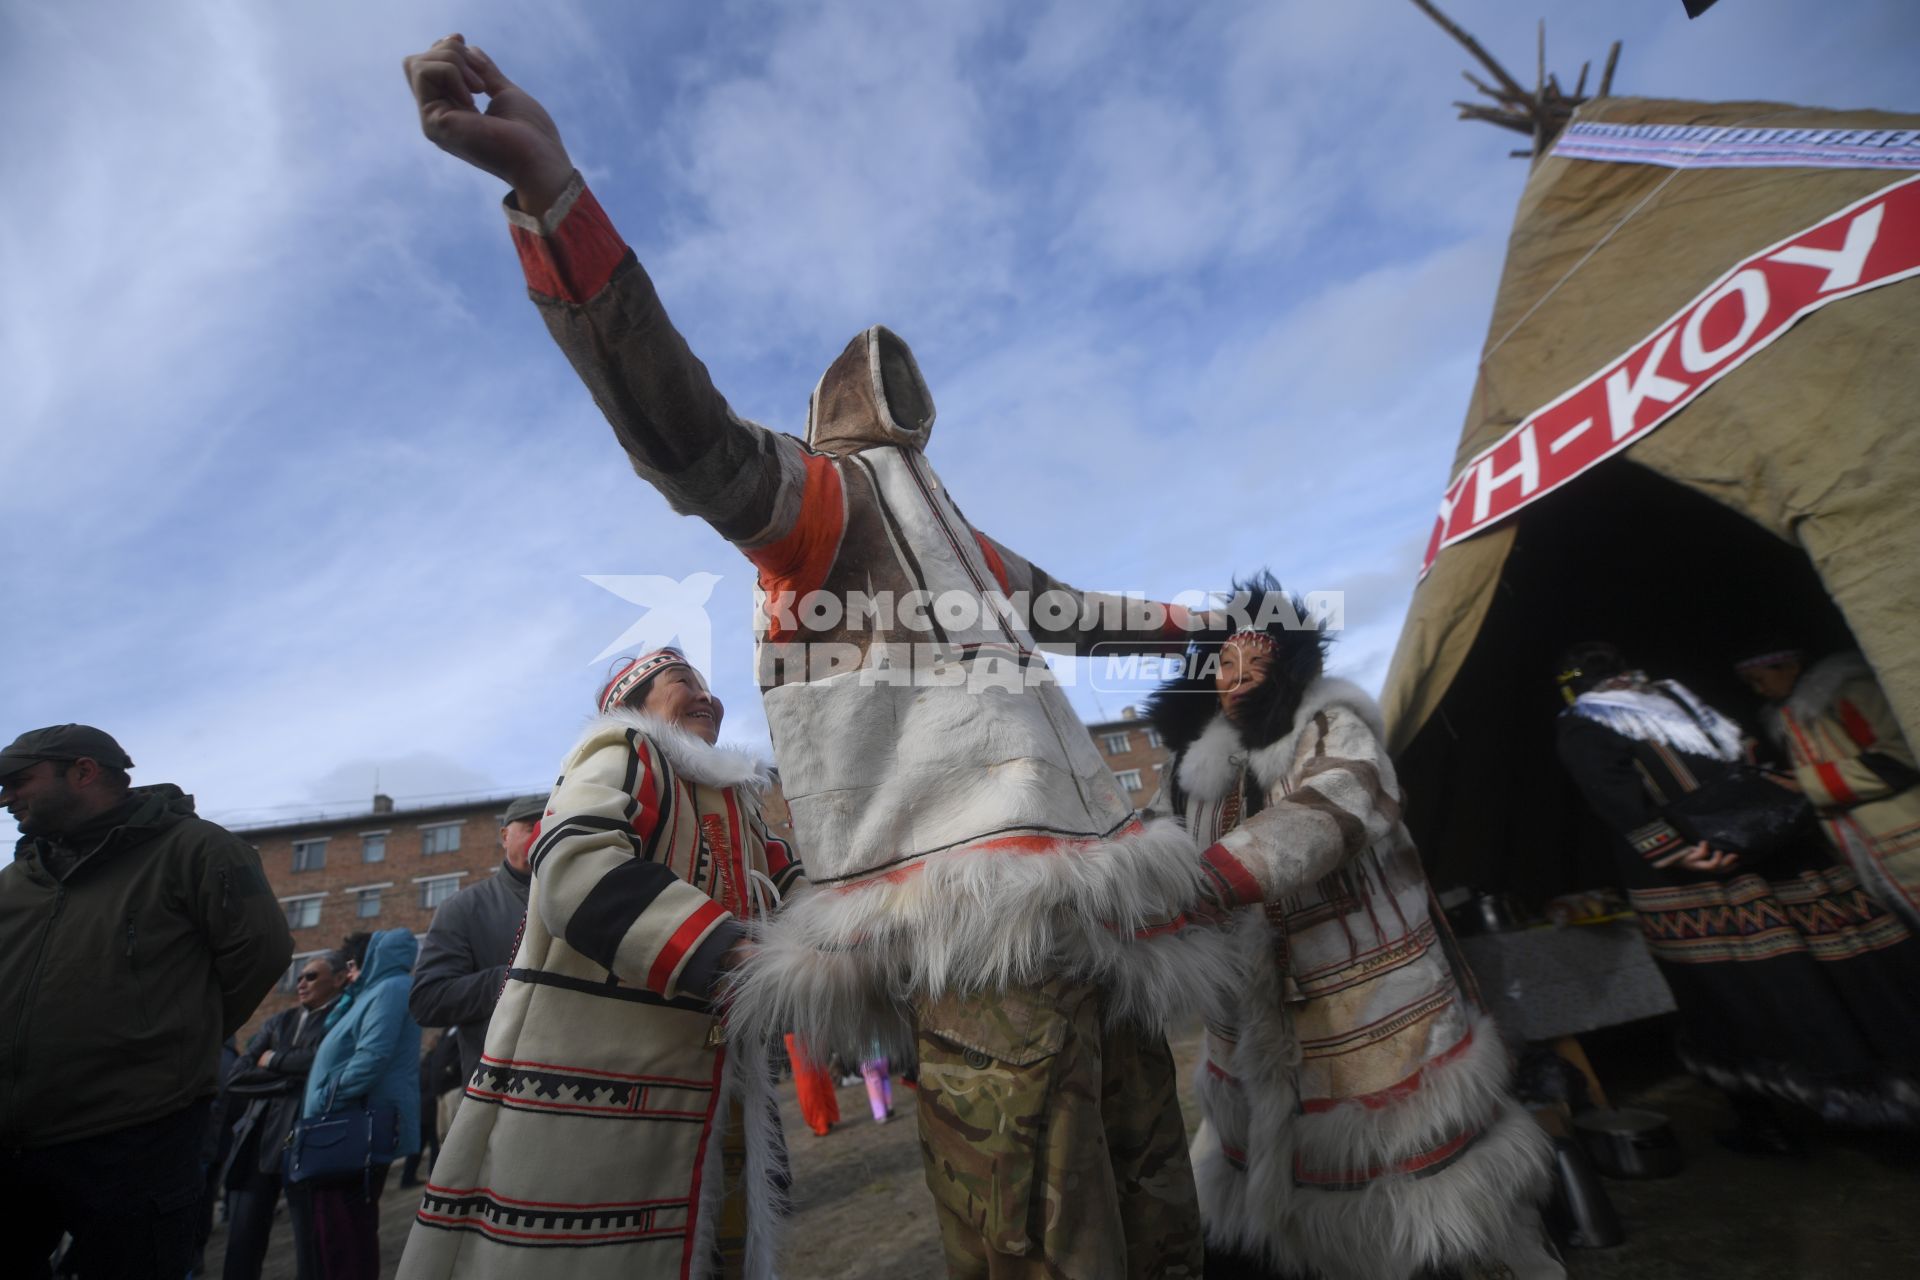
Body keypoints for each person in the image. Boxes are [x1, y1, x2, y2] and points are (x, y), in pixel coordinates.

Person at [404, 37, 1231, 1277]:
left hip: (1083, 907)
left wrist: (1213, 630)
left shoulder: (956, 539)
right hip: (964, 925)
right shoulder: (825, 508)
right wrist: (555, 199)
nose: (906, 406)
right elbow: (682, 434)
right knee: (1040, 1235)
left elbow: (1074, 606)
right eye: (885, 389)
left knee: (1154, 1206)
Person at [1145, 578, 1559, 1280]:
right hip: (1247, 1033)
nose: (1237, 679)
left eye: (1256, 663)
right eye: (1224, 665)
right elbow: (1152, 848)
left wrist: (1209, 881)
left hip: (1370, 1016)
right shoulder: (1192, 773)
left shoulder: (1332, 727)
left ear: (1288, 667)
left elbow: (1337, 800)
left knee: (1426, 1218)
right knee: (1273, 1217)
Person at [397, 648, 806, 1279]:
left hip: (715, 1093)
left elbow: (791, 885)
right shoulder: (622, 750)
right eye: (681, 683)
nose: (707, 697)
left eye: (708, 685)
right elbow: (575, 868)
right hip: (598, 1089)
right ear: (632, 706)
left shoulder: (734, 803)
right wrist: (728, 950)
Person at [1555, 642, 1920, 1140]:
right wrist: (1679, 846)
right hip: (1728, 859)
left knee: (1802, 972)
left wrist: (1698, 839)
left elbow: (1714, 766)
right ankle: (1795, 1108)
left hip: (1740, 855)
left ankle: (1856, 1095)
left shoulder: (1641, 709)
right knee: (1774, 978)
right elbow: (1618, 790)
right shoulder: (1628, 711)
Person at [0, 723, 294, 1280]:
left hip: (135, 1137)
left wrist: (167, 1046)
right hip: (14, 1140)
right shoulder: (15, 882)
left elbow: (261, 953)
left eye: (18, 780)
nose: (6, 796)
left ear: (83, 771)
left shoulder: (196, 849)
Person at [1736, 645, 1920, 930]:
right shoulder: (1787, 718)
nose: (1758, 690)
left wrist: (1807, 784)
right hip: (1874, 853)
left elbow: (1900, 758)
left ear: (1791, 667)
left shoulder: (1847, 691)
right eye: (1750, 684)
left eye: (1759, 679)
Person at [302, 928, 423, 1279]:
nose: (349, 972)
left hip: (351, 1128)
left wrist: (327, 1097)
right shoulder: (372, 992)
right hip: (345, 1124)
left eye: (355, 963)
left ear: (372, 959)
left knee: (345, 1236)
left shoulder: (389, 990)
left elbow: (372, 1056)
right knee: (340, 1233)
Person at [222, 950, 350, 1280]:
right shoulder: (277, 1021)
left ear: (337, 980)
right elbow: (237, 1075)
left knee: (311, 1244)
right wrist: (287, 1080)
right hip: (255, 1143)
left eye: (311, 976)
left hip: (305, 1142)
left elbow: (319, 1063)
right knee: (241, 1243)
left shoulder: (340, 1020)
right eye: (300, 976)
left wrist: (271, 1060)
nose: (301, 982)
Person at [409, 793, 543, 1089]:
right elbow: (427, 999)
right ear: (505, 836)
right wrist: (512, 980)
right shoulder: (463, 907)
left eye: (553, 822)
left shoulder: (585, 900)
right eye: (532, 825)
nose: (543, 831)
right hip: (501, 1089)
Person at [786, 1035, 842, 1138]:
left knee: (807, 1078)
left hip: (795, 1032)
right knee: (819, 1073)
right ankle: (828, 1117)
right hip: (811, 1030)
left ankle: (820, 1122)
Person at [860, 1046, 894, 1124]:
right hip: (882, 1056)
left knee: (874, 1088)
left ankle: (881, 1114)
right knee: (884, 1079)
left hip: (868, 1060)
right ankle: (888, 1105)